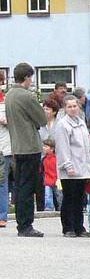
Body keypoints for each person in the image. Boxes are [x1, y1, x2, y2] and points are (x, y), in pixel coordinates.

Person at [4, 63, 47, 237]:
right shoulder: (26, 96)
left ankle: (22, 223)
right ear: (27, 77)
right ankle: (26, 225)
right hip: (30, 145)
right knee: (29, 187)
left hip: (17, 145)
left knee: (20, 186)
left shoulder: (10, 95)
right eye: (31, 78)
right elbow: (42, 118)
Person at [53, 95, 90, 237]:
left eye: (74, 106)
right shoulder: (63, 125)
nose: (72, 109)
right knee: (69, 197)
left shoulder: (82, 122)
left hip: (83, 166)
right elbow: (62, 147)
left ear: (79, 107)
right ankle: (68, 227)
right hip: (70, 167)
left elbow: (87, 143)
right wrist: (67, 165)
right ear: (65, 109)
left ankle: (79, 226)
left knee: (80, 197)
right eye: (69, 106)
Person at [0, 81, 11, 228]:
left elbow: (16, 120)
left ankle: (2, 215)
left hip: (4, 148)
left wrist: (6, 121)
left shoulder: (7, 102)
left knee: (2, 182)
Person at [41, 139, 59, 211]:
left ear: (52, 149)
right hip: (47, 180)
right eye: (43, 146)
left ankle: (60, 207)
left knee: (59, 195)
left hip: (56, 180)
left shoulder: (56, 158)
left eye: (46, 146)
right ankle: (49, 207)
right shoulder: (44, 159)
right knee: (47, 195)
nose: (44, 148)